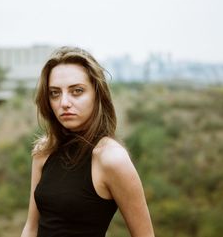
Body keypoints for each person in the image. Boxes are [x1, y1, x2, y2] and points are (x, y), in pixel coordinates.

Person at [21, 46, 154, 237]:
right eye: (55, 93)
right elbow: (31, 228)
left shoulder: (111, 158)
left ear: (97, 94)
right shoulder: (45, 150)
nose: (64, 102)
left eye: (77, 91)